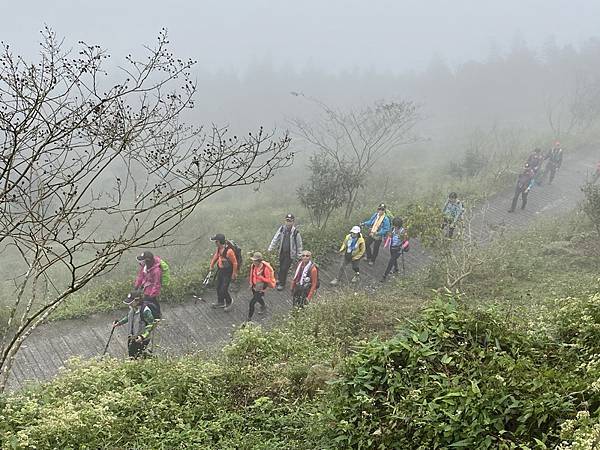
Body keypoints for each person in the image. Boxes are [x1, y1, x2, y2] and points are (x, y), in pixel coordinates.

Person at [112, 290, 159, 358]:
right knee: (132, 355)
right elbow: (128, 317)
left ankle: (151, 358)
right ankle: (150, 358)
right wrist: (119, 323)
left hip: (141, 338)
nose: (129, 304)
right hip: (132, 337)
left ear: (137, 300)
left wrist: (142, 336)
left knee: (135, 356)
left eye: (131, 302)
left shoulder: (145, 311)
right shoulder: (133, 309)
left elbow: (150, 324)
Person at [268, 213, 303, 291]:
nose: (288, 222)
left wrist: (299, 256)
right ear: (285, 221)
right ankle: (280, 280)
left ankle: (282, 284)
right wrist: (271, 248)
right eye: (287, 220)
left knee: (284, 268)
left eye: (290, 221)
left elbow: (299, 245)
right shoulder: (282, 229)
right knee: (281, 266)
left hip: (290, 254)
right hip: (282, 251)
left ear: (293, 222)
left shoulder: (295, 232)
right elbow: (276, 238)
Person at [209, 233, 238, 311]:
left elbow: (235, 263)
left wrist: (234, 274)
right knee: (218, 287)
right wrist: (211, 265)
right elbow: (216, 256)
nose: (215, 243)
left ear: (219, 242)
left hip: (227, 272)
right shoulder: (219, 248)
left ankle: (229, 302)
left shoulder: (229, 251)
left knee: (224, 289)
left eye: (216, 241)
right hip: (221, 270)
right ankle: (220, 302)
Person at [246, 252, 276, 321]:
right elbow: (251, 275)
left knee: (252, 303)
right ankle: (263, 306)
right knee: (258, 298)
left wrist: (260, 277)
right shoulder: (253, 266)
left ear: (259, 261)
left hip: (261, 288)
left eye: (255, 260)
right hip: (254, 287)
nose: (253, 262)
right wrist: (251, 283)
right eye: (253, 260)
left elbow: (268, 280)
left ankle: (249, 318)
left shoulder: (265, 269)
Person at [134, 251, 163, 315]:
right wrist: (136, 285)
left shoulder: (156, 271)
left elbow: (157, 284)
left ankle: (157, 314)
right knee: (148, 301)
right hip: (146, 287)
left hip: (151, 290)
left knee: (152, 301)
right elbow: (140, 276)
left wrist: (152, 294)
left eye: (143, 261)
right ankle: (154, 313)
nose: (141, 263)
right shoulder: (145, 267)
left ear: (148, 261)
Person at [381, 217, 409, 282]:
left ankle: (384, 275)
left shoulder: (403, 232)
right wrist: (386, 244)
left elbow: (407, 241)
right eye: (394, 225)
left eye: (396, 226)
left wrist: (403, 246)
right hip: (392, 247)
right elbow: (389, 236)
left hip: (398, 249)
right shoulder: (393, 229)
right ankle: (396, 268)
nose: (395, 227)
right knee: (393, 259)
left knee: (391, 261)